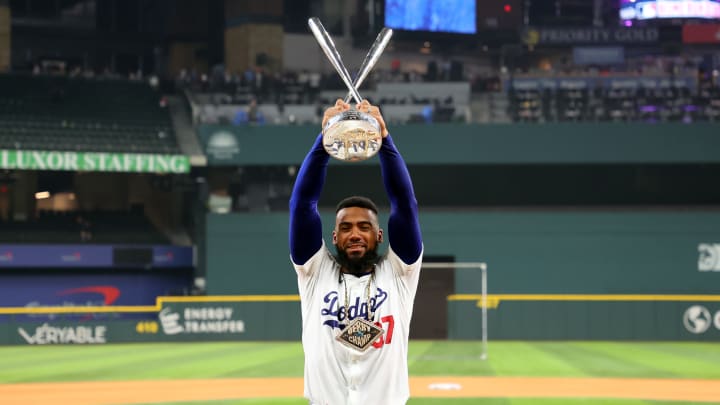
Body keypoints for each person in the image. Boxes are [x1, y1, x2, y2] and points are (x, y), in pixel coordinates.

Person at [289, 99, 423, 405]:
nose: (355, 234)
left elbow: (404, 204)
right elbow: (302, 205)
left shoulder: (400, 273)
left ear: (379, 235)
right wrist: (324, 141)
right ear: (334, 237)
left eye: (364, 227)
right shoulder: (314, 272)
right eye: (346, 228)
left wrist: (385, 140)